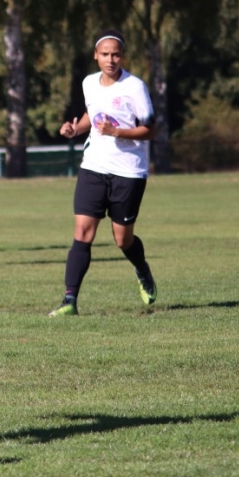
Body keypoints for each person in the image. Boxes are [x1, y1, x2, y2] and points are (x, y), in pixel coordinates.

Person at [49, 29, 157, 317]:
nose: (111, 59)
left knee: (123, 240)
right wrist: (75, 129)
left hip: (128, 172)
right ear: (96, 55)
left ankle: (141, 268)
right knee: (82, 232)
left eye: (116, 54)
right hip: (94, 167)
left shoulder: (135, 87)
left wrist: (117, 131)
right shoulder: (88, 83)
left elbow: (150, 129)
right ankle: (69, 301)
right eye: (105, 54)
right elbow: (91, 114)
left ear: (122, 56)